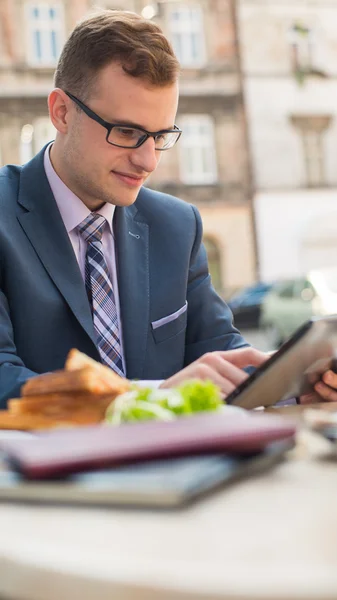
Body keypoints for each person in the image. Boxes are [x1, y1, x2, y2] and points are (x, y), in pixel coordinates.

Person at [0, 10, 335, 409]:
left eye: (160, 136)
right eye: (126, 132)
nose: (148, 161)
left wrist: (293, 387)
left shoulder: (177, 225)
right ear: (61, 112)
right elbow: (5, 381)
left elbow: (219, 353)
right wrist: (148, 397)